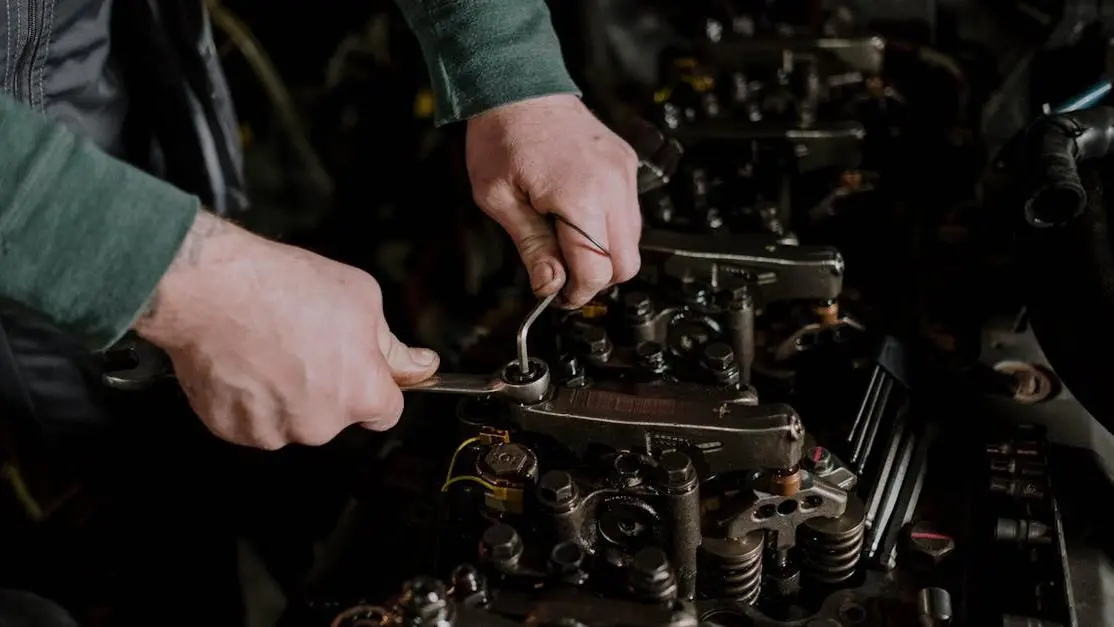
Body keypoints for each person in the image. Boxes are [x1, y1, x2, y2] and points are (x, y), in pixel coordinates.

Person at [0, 0, 640, 623]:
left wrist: (513, 71)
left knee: (189, 482)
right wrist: (178, 275)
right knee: (133, 530)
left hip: (107, 75)